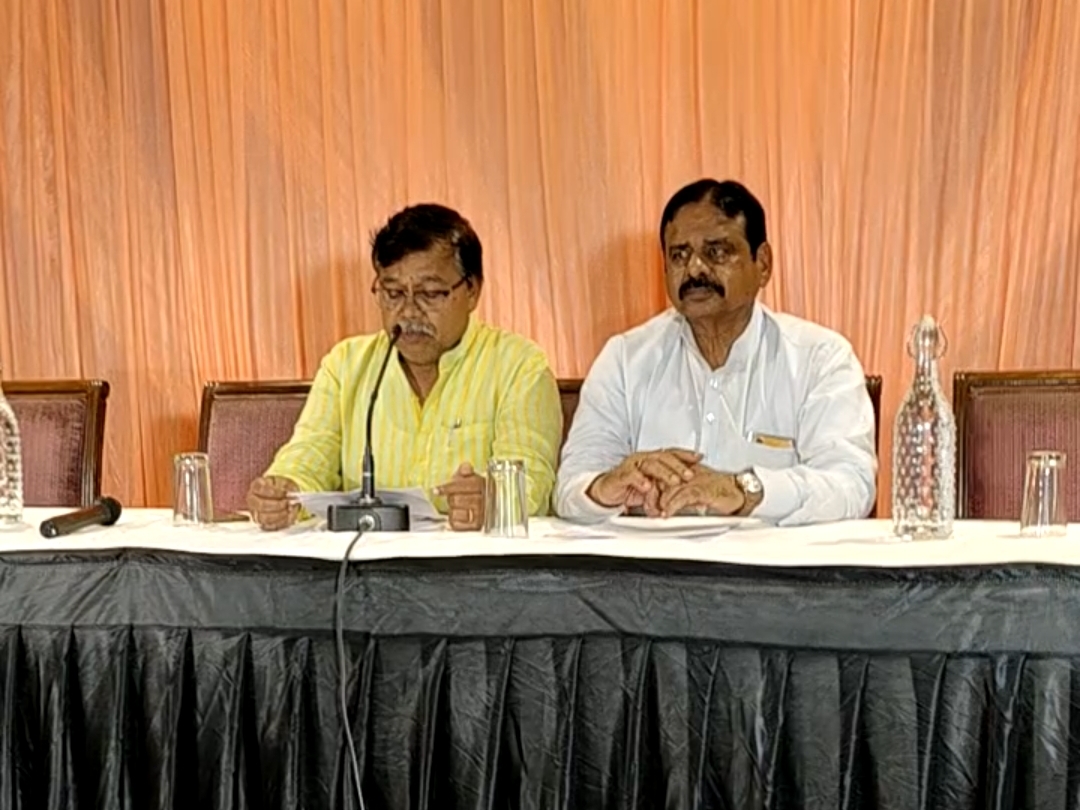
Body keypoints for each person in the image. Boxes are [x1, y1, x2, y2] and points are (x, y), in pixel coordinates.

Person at [555, 179, 876, 525]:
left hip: (772, 560)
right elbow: (571, 488)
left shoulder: (819, 358)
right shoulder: (625, 359)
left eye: (717, 252)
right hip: (653, 560)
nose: (694, 269)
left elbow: (851, 485)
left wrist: (745, 490)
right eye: (679, 255)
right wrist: (606, 487)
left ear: (763, 264)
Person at [248, 203, 563, 531]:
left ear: (472, 290)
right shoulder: (346, 366)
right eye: (393, 293)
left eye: (430, 293)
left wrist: (494, 499)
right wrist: (284, 491)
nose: (409, 312)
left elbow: (532, 484)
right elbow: (309, 455)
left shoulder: (518, 367)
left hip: (469, 560)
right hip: (366, 558)